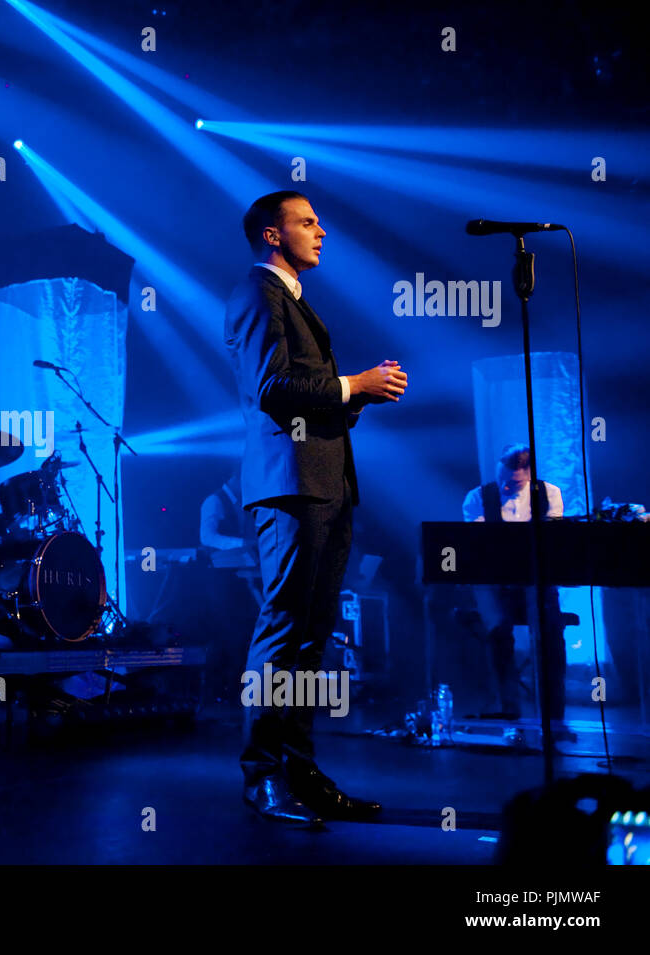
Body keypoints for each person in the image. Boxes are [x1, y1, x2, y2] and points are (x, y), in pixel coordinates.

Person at [224, 190, 407, 824]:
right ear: (272, 236)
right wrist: (354, 384)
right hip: (290, 483)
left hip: (325, 482)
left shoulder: (292, 299)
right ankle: (264, 774)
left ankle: (299, 769)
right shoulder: (258, 292)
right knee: (283, 628)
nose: (321, 230)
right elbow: (272, 386)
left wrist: (358, 394)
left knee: (311, 636)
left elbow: (305, 393)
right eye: (306, 222)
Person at [461, 444, 569, 730]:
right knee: (497, 635)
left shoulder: (549, 493)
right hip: (496, 584)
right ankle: (508, 708)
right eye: (509, 474)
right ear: (499, 469)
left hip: (537, 581)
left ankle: (555, 715)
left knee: (551, 637)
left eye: (522, 474)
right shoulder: (478, 497)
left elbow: (553, 541)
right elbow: (478, 546)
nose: (515, 479)